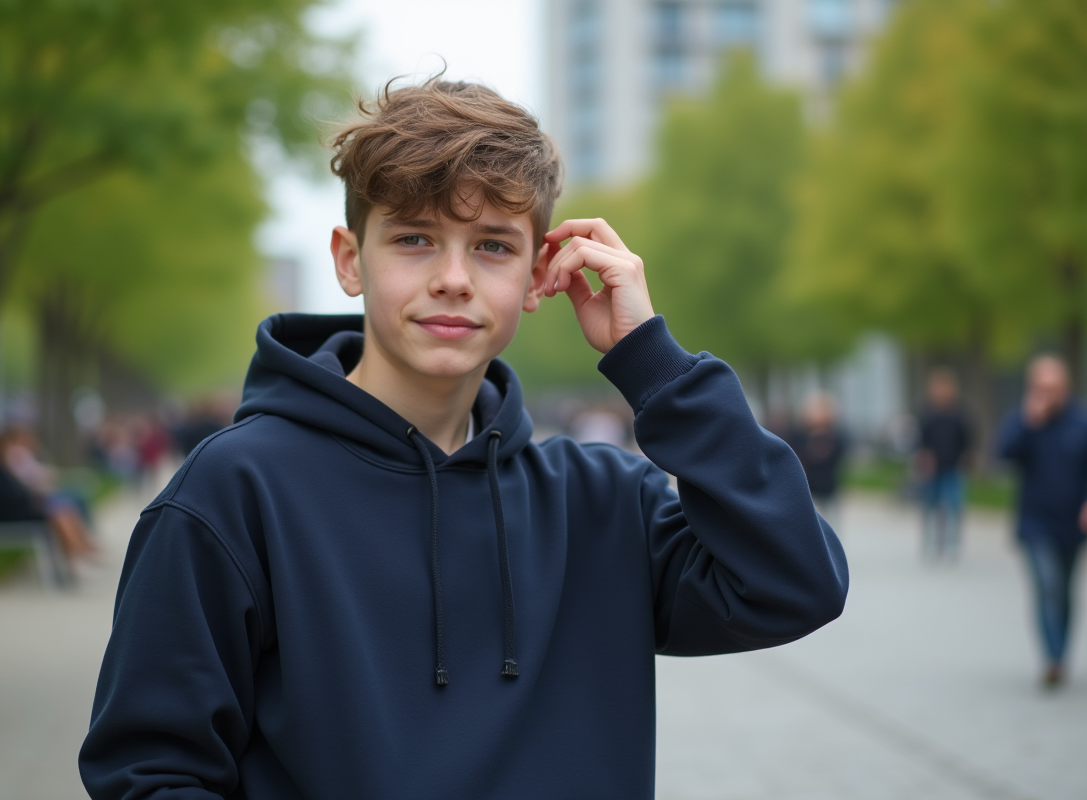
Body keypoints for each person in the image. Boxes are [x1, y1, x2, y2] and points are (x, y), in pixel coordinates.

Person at [79, 78, 848, 798]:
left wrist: (653, 363)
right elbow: (151, 769)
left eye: (492, 245)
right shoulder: (235, 490)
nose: (453, 277)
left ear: (540, 274)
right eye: (415, 238)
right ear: (350, 260)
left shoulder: (606, 501)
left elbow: (794, 583)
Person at [999, 355, 1087, 689]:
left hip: (1072, 522)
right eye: (1041, 387)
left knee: (1064, 591)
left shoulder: (1080, 422)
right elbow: (1003, 455)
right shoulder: (1024, 421)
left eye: (1053, 387)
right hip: (1036, 521)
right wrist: (1028, 423)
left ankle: (1061, 653)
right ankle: (1052, 659)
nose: (1047, 394)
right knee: (1048, 586)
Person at [0, 426, 96, 570]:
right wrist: (32, 498)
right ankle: (74, 559)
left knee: (64, 510)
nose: (10, 451)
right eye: (7, 448)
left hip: (14, 512)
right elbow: (6, 500)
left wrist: (31, 496)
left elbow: (14, 494)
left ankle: (79, 552)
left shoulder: (0, 470)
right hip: (6, 518)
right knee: (58, 515)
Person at [915, 368, 973, 562]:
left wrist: (966, 458)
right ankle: (931, 543)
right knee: (930, 506)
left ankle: (952, 544)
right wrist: (924, 458)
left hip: (952, 467)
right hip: (932, 469)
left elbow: (967, 439)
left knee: (954, 505)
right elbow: (920, 440)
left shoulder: (959, 413)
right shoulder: (927, 413)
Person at [792, 392, 847, 522]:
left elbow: (838, 456)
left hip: (828, 489)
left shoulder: (837, 436)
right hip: (808, 489)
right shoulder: (799, 435)